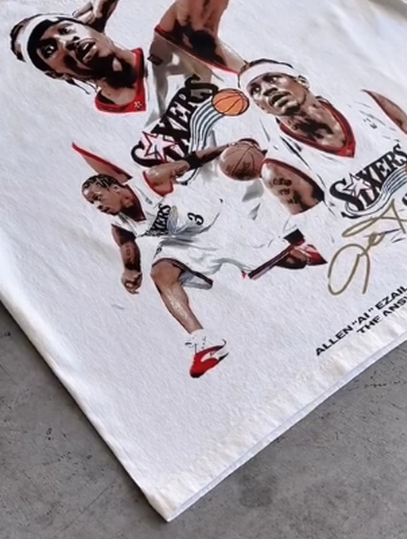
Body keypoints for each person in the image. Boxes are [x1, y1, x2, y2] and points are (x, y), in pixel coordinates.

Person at [238, 59, 407, 285]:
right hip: (396, 259)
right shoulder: (280, 168)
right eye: (255, 90)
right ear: (262, 108)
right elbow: (332, 243)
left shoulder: (368, 104)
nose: (267, 89)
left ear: (301, 81)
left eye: (273, 78)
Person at [81, 144, 321, 378]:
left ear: (115, 187)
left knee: (297, 261)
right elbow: (127, 246)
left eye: (98, 197)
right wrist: (130, 270)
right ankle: (204, 342)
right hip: (184, 241)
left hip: (219, 224)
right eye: (92, 203)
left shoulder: (151, 179)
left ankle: (299, 241)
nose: (97, 206)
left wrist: (229, 147)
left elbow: (192, 160)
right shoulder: (119, 224)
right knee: (161, 273)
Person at [9, 0, 247, 171]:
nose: (66, 42)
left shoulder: (175, 44)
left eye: (65, 29)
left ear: (90, 24)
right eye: (49, 50)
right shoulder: (97, 136)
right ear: (55, 74)